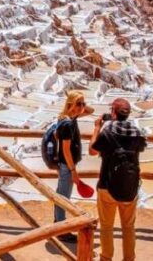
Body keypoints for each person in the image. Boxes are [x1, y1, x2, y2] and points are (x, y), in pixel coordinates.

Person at [89, 98, 147, 261]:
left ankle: (106, 258)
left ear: (113, 112)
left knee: (107, 227)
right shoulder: (137, 132)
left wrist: (97, 127)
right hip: (130, 187)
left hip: (107, 186)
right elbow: (140, 147)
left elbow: (93, 151)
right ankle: (129, 259)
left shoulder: (108, 132)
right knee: (128, 227)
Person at [54, 91, 94, 243]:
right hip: (67, 166)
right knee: (64, 197)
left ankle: (58, 224)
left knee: (61, 195)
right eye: (79, 104)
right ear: (70, 104)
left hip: (65, 165)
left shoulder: (67, 118)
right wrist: (73, 171)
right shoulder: (68, 123)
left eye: (83, 103)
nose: (82, 107)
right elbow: (66, 149)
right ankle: (61, 230)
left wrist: (80, 104)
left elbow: (91, 111)